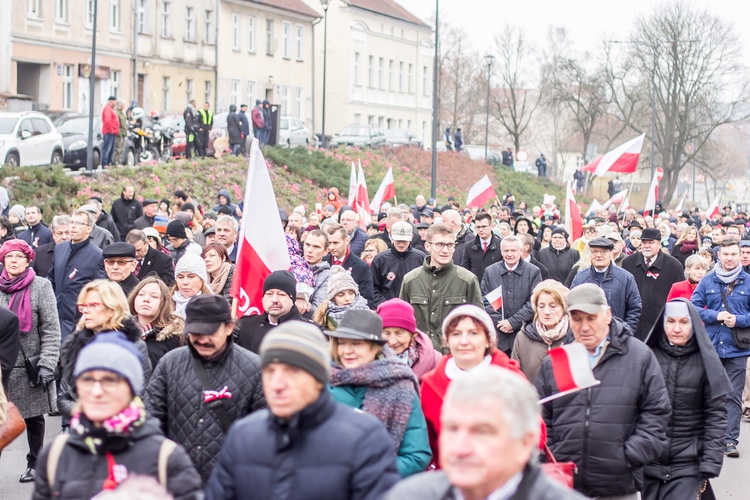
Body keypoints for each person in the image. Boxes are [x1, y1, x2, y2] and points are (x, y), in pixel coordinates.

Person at [205, 321, 400, 499]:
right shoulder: (243, 435)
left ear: (318, 379)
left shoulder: (364, 438)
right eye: (270, 371)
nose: (277, 384)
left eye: (292, 371)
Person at [536, 284, 671, 499]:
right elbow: (542, 418)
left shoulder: (639, 356)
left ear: (607, 315)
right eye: (577, 319)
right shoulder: (556, 362)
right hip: (566, 485)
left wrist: (627, 455)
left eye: (591, 318)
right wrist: (555, 455)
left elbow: (656, 414)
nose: (584, 327)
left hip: (618, 484)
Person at [32, 332, 202, 499]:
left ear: (132, 389)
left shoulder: (167, 458)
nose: (96, 391)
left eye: (110, 381)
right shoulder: (56, 455)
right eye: (87, 380)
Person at [386, 367, 586, 500]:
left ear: (524, 443)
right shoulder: (407, 495)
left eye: (482, 432)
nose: (460, 448)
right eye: (452, 429)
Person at [145, 295, 266, 485]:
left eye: (209, 333)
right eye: (195, 334)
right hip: (176, 483)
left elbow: (262, 436)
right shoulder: (170, 363)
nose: (202, 340)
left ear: (229, 327)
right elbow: (150, 419)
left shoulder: (254, 369)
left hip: (229, 485)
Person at [420, 305, 539, 469]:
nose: (464, 341)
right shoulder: (430, 385)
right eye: (456, 334)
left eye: (473, 333)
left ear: (488, 340)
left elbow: (534, 432)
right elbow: (428, 443)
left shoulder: (511, 378)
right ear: (447, 340)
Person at [642, 299, 732, 500]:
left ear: (693, 324)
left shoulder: (707, 362)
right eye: (671, 321)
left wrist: (711, 460)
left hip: (688, 463)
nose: (676, 329)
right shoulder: (648, 358)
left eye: (683, 322)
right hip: (651, 462)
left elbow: (716, 415)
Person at [327, 309, 432, 477]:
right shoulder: (321, 383)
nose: (347, 351)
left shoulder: (400, 386)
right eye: (342, 343)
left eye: (356, 344)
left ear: (375, 347)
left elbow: (417, 456)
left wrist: (369, 475)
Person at [0, 240, 60, 483]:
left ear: (28, 260)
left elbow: (51, 329)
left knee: (34, 417)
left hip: (28, 366)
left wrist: (47, 363)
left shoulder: (41, 286)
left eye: (19, 256)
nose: (14, 260)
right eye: (9, 256)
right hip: (2, 366)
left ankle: (35, 462)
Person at [57, 280, 152, 424]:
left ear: (112, 309)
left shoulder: (134, 346)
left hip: (121, 431)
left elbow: (141, 397)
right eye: (83, 306)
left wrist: (106, 415)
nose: (85, 311)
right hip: (81, 429)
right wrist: (87, 413)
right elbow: (63, 398)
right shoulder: (76, 345)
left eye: (93, 305)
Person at [691, 237, 750, 458]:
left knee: (734, 396)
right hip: (712, 345)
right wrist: (715, 315)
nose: (730, 258)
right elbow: (694, 307)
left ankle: (730, 440)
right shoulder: (707, 281)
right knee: (709, 393)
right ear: (719, 256)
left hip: (738, 348)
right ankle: (708, 437)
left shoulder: (748, 281)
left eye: (734, 254)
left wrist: (739, 320)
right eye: (725, 254)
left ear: (740, 256)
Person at [400, 223, 482, 350]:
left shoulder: (467, 280)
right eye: (439, 245)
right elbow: (403, 323)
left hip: (455, 355)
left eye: (449, 245)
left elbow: (478, 322)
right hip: (420, 354)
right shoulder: (410, 280)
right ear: (427, 246)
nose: (445, 250)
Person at [48, 209, 106, 339]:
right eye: (72, 222)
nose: (73, 226)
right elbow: (51, 279)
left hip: (78, 320)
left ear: (89, 229)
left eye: (79, 223)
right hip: (55, 318)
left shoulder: (97, 256)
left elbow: (99, 291)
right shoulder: (59, 249)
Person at [481, 235, 542, 356]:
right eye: (506, 250)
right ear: (501, 251)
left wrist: (513, 322)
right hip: (496, 336)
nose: (509, 254)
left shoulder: (534, 271)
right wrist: (501, 323)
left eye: (513, 250)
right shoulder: (490, 271)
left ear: (521, 251)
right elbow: (484, 300)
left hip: (523, 334)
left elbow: (534, 301)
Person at [623, 227, 685, 340]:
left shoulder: (674, 266)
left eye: (651, 242)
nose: (646, 246)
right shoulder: (628, 263)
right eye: (644, 242)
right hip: (633, 327)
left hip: (661, 328)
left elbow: (680, 299)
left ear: (659, 244)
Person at [570, 238, 642, 334]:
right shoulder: (580, 278)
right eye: (595, 252)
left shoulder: (625, 278)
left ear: (610, 254)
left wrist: (625, 332)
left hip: (616, 336)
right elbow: (572, 306)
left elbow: (634, 308)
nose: (599, 255)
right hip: (587, 334)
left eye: (603, 252)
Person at [511, 280, 571, 383]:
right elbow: (514, 377)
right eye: (541, 306)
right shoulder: (523, 337)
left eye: (553, 306)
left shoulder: (573, 336)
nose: (546, 312)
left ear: (563, 308)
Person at [236, 270, 310, 353]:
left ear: (292, 299)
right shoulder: (244, 325)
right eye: (269, 294)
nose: (274, 300)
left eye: (281, 294)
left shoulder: (309, 332)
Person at [377, 298, 441, 381]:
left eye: (399, 333)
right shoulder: (366, 359)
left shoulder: (436, 361)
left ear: (413, 335)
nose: (392, 341)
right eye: (386, 333)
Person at [129, 276, 184, 368]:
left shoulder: (174, 338)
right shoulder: (120, 332)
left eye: (154, 296)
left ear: (164, 303)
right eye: (141, 294)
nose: (146, 299)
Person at [371, 221, 425, 308]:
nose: (401, 244)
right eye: (398, 240)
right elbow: (373, 287)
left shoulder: (421, 258)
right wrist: (384, 305)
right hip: (388, 308)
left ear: (411, 237)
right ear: (391, 236)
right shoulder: (380, 260)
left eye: (404, 241)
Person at [324, 223, 374, 307]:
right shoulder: (323, 263)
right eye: (329, 243)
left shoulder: (361, 267)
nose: (331, 247)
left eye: (336, 243)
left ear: (347, 241)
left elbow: (368, 298)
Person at [313, 265, 370, 331]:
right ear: (333, 298)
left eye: (351, 293)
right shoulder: (323, 318)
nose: (347, 298)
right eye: (341, 295)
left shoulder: (369, 314)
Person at [460, 212, 502, 282]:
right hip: (475, 288)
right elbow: (465, 270)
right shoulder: (469, 246)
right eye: (478, 227)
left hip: (495, 287)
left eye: (484, 226)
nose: (481, 230)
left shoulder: (501, 245)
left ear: (491, 226)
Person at [171, 253, 211, 318]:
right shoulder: (165, 306)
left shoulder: (213, 307)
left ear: (202, 279)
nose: (185, 282)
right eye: (180, 277)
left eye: (191, 277)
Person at [32, 215, 70, 279]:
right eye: (60, 233)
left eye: (67, 233)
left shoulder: (80, 253)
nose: (64, 237)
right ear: (53, 235)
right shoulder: (40, 253)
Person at [101, 96, 119, 167]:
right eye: (114, 101)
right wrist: (111, 130)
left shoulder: (111, 109)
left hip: (112, 132)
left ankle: (109, 162)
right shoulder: (107, 108)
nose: (115, 102)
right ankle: (105, 163)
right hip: (108, 132)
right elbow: (107, 120)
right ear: (111, 101)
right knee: (107, 148)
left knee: (111, 148)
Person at [114, 100, 128, 165]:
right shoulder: (116, 112)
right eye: (123, 105)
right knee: (118, 148)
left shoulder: (122, 113)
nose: (124, 106)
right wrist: (119, 132)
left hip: (123, 133)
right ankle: (116, 162)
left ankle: (119, 161)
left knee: (122, 149)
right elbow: (117, 123)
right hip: (119, 134)